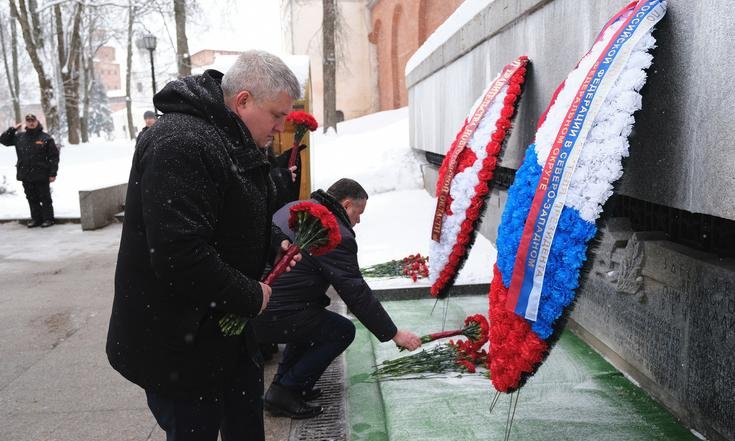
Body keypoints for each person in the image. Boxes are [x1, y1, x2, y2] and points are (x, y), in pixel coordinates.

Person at [106, 50, 302, 441]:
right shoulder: (180, 141)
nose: (281, 127)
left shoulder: (231, 136)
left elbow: (230, 216)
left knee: (245, 428)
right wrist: (250, 295)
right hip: (180, 345)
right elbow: (178, 254)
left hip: (224, 336)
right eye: (277, 115)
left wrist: (272, 243)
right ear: (243, 101)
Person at [253, 178, 423, 419]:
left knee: (311, 320)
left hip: (257, 301)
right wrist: (394, 334)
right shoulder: (331, 231)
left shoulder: (296, 207)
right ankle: (287, 389)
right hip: (273, 311)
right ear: (346, 205)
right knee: (341, 330)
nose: (359, 220)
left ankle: (286, 385)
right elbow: (356, 293)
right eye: (358, 213)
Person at [0, 114, 59, 228]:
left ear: (37, 121)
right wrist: (12, 129)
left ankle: (48, 219)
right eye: (28, 121)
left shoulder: (46, 138)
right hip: (26, 173)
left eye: (33, 120)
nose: (31, 122)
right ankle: (36, 219)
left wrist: (53, 173)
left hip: (41, 173)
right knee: (31, 198)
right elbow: (3, 140)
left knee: (45, 198)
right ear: (26, 123)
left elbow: (54, 157)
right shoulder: (20, 137)